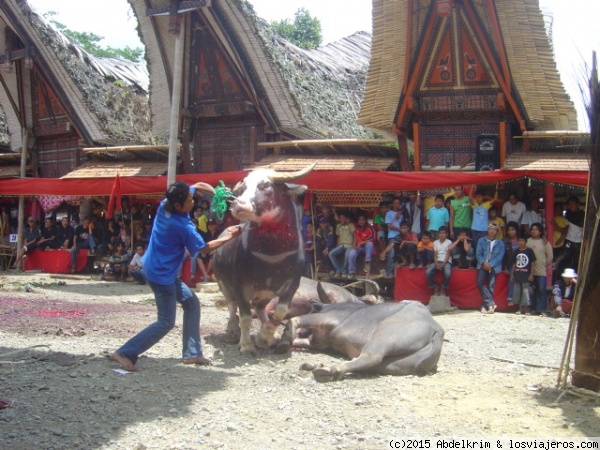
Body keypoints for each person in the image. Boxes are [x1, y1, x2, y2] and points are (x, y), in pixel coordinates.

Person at [110, 180, 241, 372]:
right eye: (189, 201)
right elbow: (204, 249)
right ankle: (125, 352)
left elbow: (199, 184)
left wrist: (217, 194)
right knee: (165, 321)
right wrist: (229, 236)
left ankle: (192, 353)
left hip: (159, 267)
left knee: (191, 303)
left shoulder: (166, 204)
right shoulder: (180, 226)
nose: (193, 202)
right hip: (161, 275)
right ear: (179, 205)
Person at [476, 223, 505, 314]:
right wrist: (484, 263)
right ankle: (491, 303)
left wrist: (491, 264)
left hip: (494, 266)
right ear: (487, 230)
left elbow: (500, 256)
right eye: (490, 229)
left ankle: (486, 306)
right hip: (482, 265)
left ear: (497, 232)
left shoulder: (500, 243)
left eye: (494, 229)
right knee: (479, 282)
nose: (492, 231)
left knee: (491, 286)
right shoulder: (481, 240)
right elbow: (478, 254)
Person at [526, 223, 553, 315]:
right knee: (530, 290)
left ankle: (541, 309)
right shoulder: (527, 241)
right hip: (529, 271)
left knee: (541, 290)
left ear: (540, 231)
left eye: (536, 229)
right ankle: (532, 308)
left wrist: (545, 264)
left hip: (541, 270)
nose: (534, 231)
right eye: (532, 229)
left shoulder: (545, 242)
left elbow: (550, 256)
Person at [425, 226, 459, 296]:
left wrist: (443, 264)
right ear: (438, 234)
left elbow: (448, 255)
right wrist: (436, 263)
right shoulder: (435, 242)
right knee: (428, 272)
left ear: (447, 234)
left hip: (446, 262)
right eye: (440, 233)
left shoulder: (449, 242)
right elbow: (435, 254)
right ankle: (435, 287)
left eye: (443, 233)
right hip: (437, 261)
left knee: (447, 273)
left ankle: (443, 288)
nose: (442, 235)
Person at [511, 233, 536, 315]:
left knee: (526, 291)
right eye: (519, 241)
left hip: (526, 274)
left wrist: (531, 274)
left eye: (522, 241)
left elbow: (532, 263)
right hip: (517, 274)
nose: (520, 242)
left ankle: (526, 309)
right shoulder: (516, 251)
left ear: (525, 242)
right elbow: (514, 263)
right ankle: (519, 308)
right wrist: (512, 274)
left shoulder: (529, 251)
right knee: (517, 291)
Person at [468, 183, 498, 250]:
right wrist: (472, 186)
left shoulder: (486, 205)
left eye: (480, 197)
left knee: (483, 246)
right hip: (474, 229)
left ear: (483, 197)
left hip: (483, 230)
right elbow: (470, 197)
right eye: (477, 197)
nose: (478, 198)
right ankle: (477, 260)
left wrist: (496, 189)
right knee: (475, 245)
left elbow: (495, 199)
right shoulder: (474, 204)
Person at [191, 219, 220, 284]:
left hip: (216, 252)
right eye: (209, 225)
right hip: (207, 252)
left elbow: (222, 244)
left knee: (212, 258)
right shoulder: (206, 235)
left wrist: (215, 250)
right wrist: (203, 251)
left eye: (212, 225)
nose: (211, 226)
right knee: (199, 258)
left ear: (215, 225)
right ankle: (206, 275)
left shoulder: (219, 233)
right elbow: (203, 245)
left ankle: (206, 275)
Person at [328, 211, 355, 278]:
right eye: (340, 218)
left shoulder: (350, 225)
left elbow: (355, 236)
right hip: (341, 245)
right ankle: (341, 270)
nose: (342, 219)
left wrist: (354, 245)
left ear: (346, 218)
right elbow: (338, 237)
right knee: (331, 254)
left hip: (349, 245)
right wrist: (337, 245)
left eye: (343, 218)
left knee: (347, 255)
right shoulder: (338, 226)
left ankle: (343, 271)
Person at [384, 197, 404, 277]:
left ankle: (396, 272)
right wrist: (399, 229)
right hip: (392, 235)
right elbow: (389, 225)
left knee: (398, 254)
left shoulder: (402, 214)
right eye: (395, 203)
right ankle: (389, 272)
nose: (396, 205)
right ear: (392, 204)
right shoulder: (389, 213)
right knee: (391, 255)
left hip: (400, 236)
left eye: (398, 203)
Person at [502, 221, 520, 307]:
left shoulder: (522, 239)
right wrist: (505, 267)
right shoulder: (505, 241)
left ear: (516, 230)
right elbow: (504, 256)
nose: (511, 232)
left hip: (521, 264)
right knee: (512, 279)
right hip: (510, 264)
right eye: (509, 230)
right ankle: (510, 298)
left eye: (513, 230)